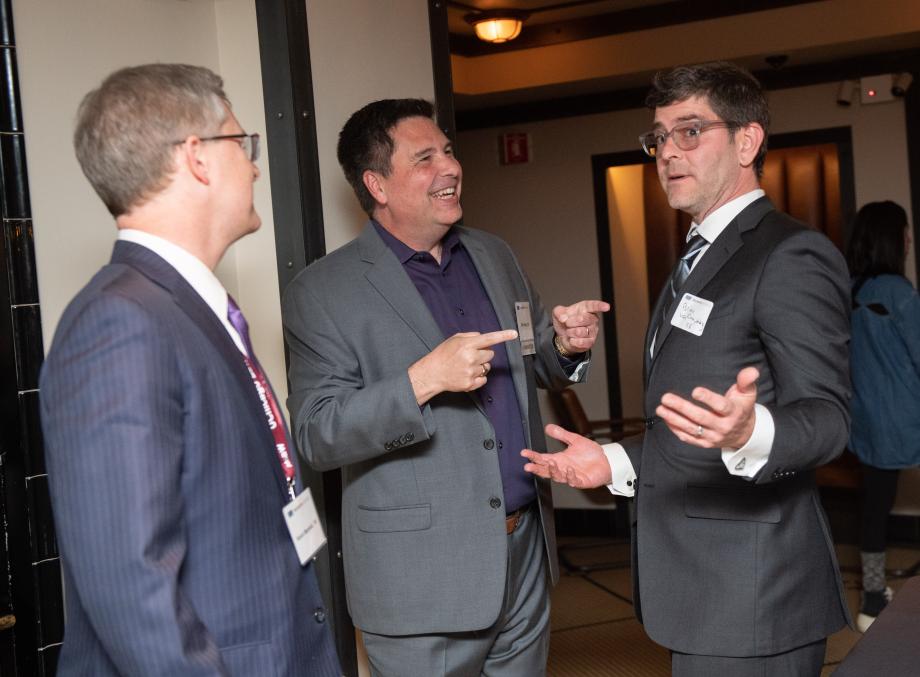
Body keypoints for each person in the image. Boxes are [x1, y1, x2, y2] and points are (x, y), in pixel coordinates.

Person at [522, 62, 852, 676]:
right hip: (705, 589)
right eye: (658, 138)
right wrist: (614, 461)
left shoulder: (787, 253)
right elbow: (687, 424)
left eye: (691, 131)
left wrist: (751, 433)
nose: (668, 152)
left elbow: (829, 419)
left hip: (755, 595)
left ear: (747, 141)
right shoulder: (701, 257)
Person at [282, 98, 607, 676]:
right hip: (418, 581)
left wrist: (567, 347)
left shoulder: (492, 253)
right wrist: (421, 382)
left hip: (524, 555)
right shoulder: (323, 290)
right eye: (425, 158)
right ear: (377, 184)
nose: (451, 168)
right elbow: (316, 434)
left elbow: (533, 365)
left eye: (450, 152)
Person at [40, 64, 340, 676]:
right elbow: (131, 582)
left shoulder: (183, 305)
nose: (254, 165)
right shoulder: (120, 321)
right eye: (243, 144)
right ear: (198, 158)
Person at [846, 200, 920, 632]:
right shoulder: (899, 291)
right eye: (905, 231)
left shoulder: (850, 289)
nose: (909, 239)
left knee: (874, 508)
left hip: (867, 422)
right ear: (894, 238)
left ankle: (871, 602)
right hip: (908, 417)